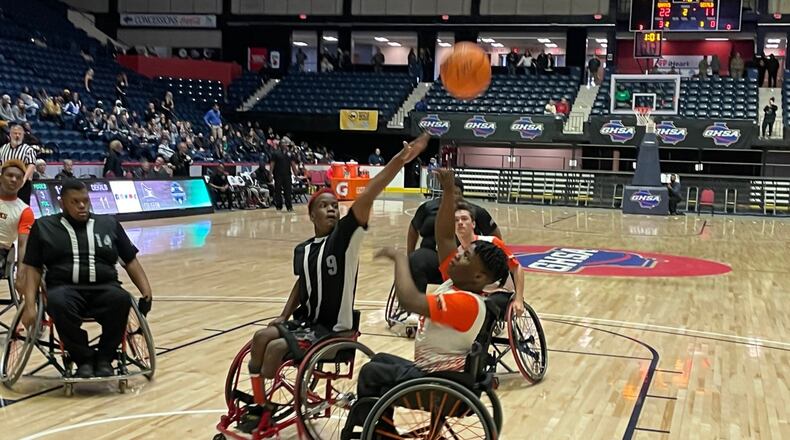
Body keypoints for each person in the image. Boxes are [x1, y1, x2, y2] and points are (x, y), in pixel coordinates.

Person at [239, 134, 429, 432]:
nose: (332, 209)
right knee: (261, 337)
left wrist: (397, 162)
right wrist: (284, 316)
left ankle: (265, 408)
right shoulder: (303, 249)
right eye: (325, 206)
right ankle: (260, 404)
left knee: (275, 348)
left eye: (334, 206)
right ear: (311, 214)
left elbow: (368, 193)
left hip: (334, 330)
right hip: (305, 324)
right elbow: (302, 284)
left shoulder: (344, 239)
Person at [350, 169, 510, 434]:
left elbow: (410, 300)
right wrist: (448, 191)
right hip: (440, 376)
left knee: (371, 374)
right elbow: (445, 237)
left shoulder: (466, 303)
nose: (458, 255)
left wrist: (401, 259)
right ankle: (380, 428)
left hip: (439, 385)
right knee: (380, 358)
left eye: (466, 256)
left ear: (480, 276)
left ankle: (374, 432)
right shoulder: (456, 282)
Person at [19, 179, 153, 378]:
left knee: (122, 299)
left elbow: (130, 260)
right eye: (75, 202)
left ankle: (105, 358)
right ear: (62, 203)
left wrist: (146, 291)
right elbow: (33, 268)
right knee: (57, 303)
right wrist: (30, 305)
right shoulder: (44, 227)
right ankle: (83, 359)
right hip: (65, 289)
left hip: (105, 287)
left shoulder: (108, 224)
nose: (82, 206)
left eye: (85, 201)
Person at [407, 177, 501, 293]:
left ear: (462, 194)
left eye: (457, 193)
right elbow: (413, 229)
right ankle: (417, 301)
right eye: (449, 192)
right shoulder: (427, 208)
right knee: (415, 259)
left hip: (462, 259)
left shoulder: (475, 211)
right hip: (432, 256)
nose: (453, 196)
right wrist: (409, 253)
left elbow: (494, 232)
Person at [0, 160, 34, 287]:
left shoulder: (24, 211)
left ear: (22, 182)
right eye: (10, 175)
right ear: (1, 177)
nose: (14, 180)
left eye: (18, 178)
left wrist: (21, 272)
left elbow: (22, 244)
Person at [0, 123, 37, 204]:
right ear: (10, 134)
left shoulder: (28, 149)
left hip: (22, 183)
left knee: (21, 205)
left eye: (19, 134)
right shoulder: (3, 148)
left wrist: (24, 179)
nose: (17, 135)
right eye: (15, 133)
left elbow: (31, 165)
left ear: (23, 135)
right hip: (5, 182)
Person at [270, 141, 297, 212]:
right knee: (278, 191)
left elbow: (293, 164)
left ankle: (289, 207)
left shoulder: (290, 154)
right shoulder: (275, 153)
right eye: (283, 144)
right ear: (280, 145)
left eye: (286, 144)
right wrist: (270, 174)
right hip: (277, 175)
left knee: (288, 191)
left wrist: (296, 174)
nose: (285, 145)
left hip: (287, 175)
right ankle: (279, 206)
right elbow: (272, 164)